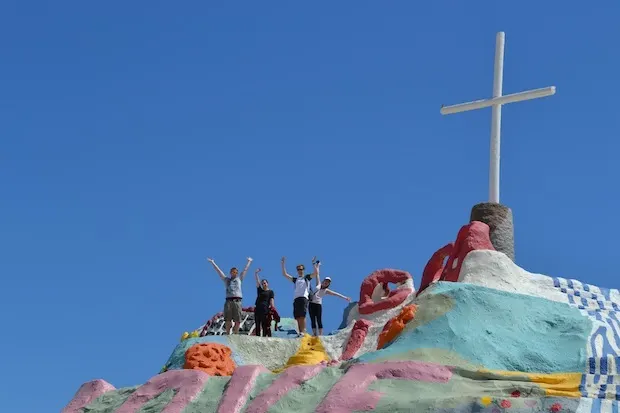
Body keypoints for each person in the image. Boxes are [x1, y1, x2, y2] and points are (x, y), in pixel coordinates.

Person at [207, 257, 253, 334]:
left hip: (237, 301)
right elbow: (219, 272)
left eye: (235, 272)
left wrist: (249, 261)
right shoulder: (227, 280)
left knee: (237, 320)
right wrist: (212, 262)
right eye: (232, 272)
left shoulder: (239, 279)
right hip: (228, 301)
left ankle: (235, 334)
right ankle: (228, 334)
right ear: (230, 273)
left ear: (237, 273)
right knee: (227, 319)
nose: (233, 273)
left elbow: (245, 270)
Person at [281, 256, 318, 336]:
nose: (300, 271)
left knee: (302, 315)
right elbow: (285, 274)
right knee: (297, 316)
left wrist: (313, 264)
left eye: (301, 269)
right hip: (296, 299)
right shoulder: (296, 279)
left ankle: (303, 331)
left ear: (303, 270)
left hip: (303, 298)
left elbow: (315, 273)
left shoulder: (307, 277)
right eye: (298, 269)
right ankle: (300, 332)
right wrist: (283, 263)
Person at [309, 272, 351, 336]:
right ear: (323, 281)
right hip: (311, 304)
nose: (326, 282)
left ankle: (320, 335)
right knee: (312, 319)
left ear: (328, 284)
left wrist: (345, 297)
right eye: (326, 281)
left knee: (318, 319)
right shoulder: (318, 284)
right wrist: (317, 266)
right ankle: (314, 334)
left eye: (328, 282)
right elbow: (317, 274)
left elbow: (336, 294)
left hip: (318, 305)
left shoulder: (326, 291)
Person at [253, 268, 275, 337]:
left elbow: (272, 300)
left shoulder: (270, 292)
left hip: (265, 310)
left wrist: (273, 309)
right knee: (257, 324)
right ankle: (257, 337)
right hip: (257, 309)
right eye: (263, 284)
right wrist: (256, 274)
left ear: (267, 284)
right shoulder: (260, 290)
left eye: (265, 283)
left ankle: (264, 337)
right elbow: (257, 282)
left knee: (264, 324)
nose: (264, 284)